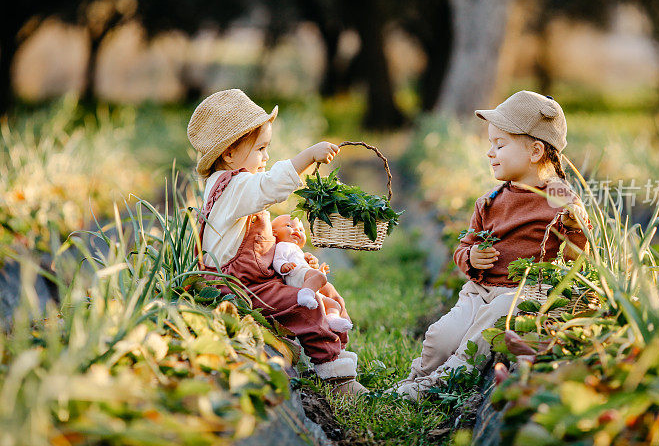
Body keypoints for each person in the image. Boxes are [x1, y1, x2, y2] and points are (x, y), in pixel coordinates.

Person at [389, 90, 591, 401]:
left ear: (536, 151)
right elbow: (464, 245)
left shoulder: (558, 195)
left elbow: (576, 254)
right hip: (479, 292)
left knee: (489, 324)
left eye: (499, 145)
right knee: (441, 336)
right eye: (489, 145)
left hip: (523, 292)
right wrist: (470, 255)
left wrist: (575, 226)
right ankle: (417, 378)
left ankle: (449, 378)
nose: (490, 153)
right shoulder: (490, 201)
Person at [187, 88, 367, 396]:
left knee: (321, 290)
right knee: (302, 305)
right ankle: (337, 379)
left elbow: (261, 212)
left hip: (254, 280)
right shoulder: (233, 188)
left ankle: (330, 349)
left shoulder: (233, 184)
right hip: (238, 289)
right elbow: (271, 185)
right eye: (260, 148)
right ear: (229, 154)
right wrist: (307, 156)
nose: (266, 156)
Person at [271, 214, 353, 333]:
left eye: (300, 229)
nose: (296, 231)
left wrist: (314, 267)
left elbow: (302, 265)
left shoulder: (296, 251)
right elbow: (277, 260)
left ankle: (333, 319)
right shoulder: (283, 245)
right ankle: (305, 294)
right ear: (274, 233)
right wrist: (283, 266)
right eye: (289, 226)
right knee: (320, 278)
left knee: (333, 304)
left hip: (303, 279)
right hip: (294, 276)